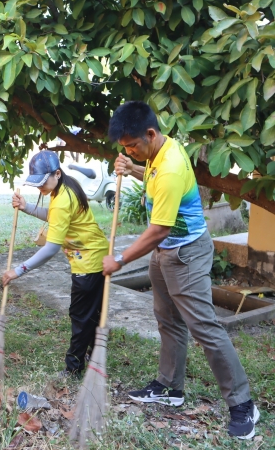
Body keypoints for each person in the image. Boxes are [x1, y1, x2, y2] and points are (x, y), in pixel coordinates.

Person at [102, 101, 259, 440]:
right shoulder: (159, 152)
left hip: (185, 254)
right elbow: (155, 180)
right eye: (124, 148)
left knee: (204, 327)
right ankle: (169, 387)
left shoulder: (171, 165)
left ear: (150, 134)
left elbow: (159, 228)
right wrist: (133, 168)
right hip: (165, 253)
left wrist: (120, 259)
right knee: (167, 319)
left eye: (132, 146)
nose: (129, 151)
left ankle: (243, 404)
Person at [2, 150, 109, 376]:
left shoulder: (61, 198)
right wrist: (27, 207)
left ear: (57, 174)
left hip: (88, 261)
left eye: (43, 181)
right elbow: (55, 216)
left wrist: (18, 271)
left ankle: (73, 367)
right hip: (96, 254)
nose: (40, 187)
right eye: (37, 182)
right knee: (90, 311)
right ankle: (92, 355)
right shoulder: (65, 188)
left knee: (80, 315)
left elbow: (50, 248)